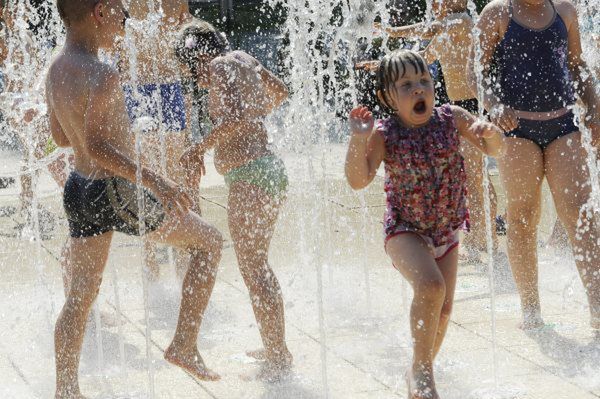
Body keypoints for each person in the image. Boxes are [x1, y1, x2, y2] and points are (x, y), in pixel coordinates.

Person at [48, 1, 223, 397]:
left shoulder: (57, 69)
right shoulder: (104, 75)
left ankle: (66, 390)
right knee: (209, 243)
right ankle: (184, 345)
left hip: (79, 188)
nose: (125, 22)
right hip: (114, 190)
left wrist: (90, 131)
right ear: (99, 13)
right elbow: (96, 146)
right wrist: (159, 183)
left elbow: (61, 137)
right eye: (120, 13)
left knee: (80, 294)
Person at [345, 50, 505, 399]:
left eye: (424, 82)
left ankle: (418, 369)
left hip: (447, 229)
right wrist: (358, 140)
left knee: (444, 308)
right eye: (406, 85)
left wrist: (490, 132)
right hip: (405, 230)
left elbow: (495, 149)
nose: (419, 90)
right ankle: (423, 371)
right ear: (388, 97)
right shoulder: (385, 133)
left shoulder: (452, 118)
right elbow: (358, 180)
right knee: (432, 289)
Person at [473, 0, 600, 331]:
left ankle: (598, 308)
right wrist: (495, 104)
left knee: (579, 213)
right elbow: (479, 71)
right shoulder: (498, 14)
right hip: (517, 130)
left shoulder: (565, 11)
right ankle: (530, 308)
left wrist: (595, 108)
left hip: (564, 125)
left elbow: (576, 66)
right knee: (523, 214)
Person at [176, 20, 293, 380]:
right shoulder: (241, 58)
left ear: (199, 54)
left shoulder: (217, 66)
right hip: (266, 171)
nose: (194, 80)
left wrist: (198, 148)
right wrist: (255, 113)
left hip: (251, 177)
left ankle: (278, 356)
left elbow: (238, 119)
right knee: (257, 266)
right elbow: (281, 90)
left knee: (255, 270)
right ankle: (274, 346)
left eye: (188, 68)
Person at [369, 0, 503, 262]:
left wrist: (392, 32)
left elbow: (427, 28)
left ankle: (482, 242)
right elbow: (421, 61)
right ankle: (486, 239)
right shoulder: (448, 32)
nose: (434, 3)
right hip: (464, 106)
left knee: (474, 178)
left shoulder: (461, 20)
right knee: (474, 178)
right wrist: (382, 65)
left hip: (470, 107)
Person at [123, 0, 194, 281]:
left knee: (144, 179)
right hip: (167, 85)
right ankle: (181, 269)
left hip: (138, 86)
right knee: (173, 177)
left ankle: (152, 272)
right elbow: (185, 35)